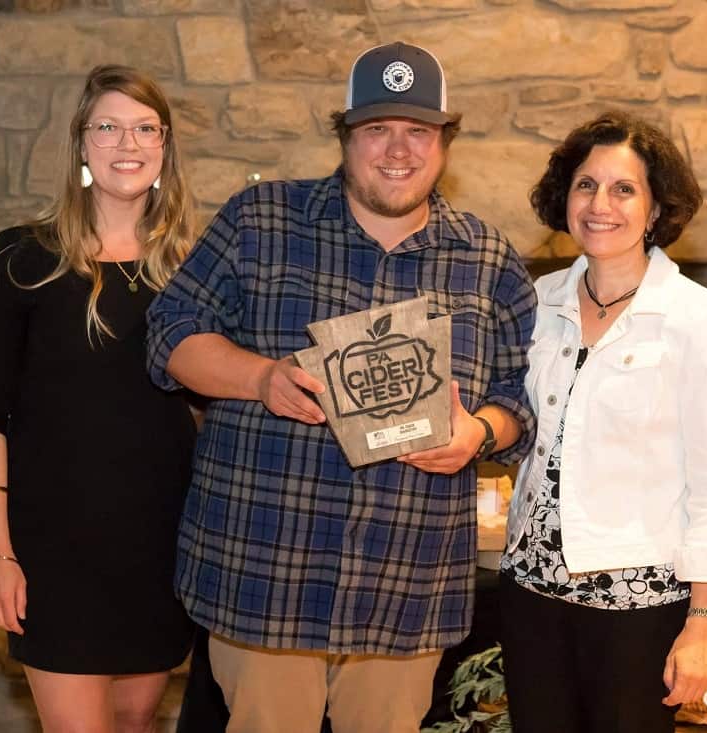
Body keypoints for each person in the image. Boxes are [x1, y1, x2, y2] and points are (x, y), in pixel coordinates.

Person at [146, 42, 537, 733]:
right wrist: (261, 377)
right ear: (345, 134)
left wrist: (478, 433)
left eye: (418, 131)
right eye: (377, 130)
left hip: (405, 584)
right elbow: (170, 331)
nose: (397, 150)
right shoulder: (260, 221)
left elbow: (522, 396)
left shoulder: (488, 259)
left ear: (445, 141)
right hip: (266, 567)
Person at [497, 111, 707, 733]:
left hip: (638, 604)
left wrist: (702, 624)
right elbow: (531, 434)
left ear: (655, 207)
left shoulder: (697, 318)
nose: (599, 204)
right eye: (585, 184)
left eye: (623, 189)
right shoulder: (540, 300)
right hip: (530, 589)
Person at [0, 64, 198, 732]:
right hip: (53, 552)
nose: (128, 141)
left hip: (159, 546)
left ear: (164, 147)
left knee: (135, 722)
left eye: (145, 127)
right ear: (81, 145)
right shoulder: (23, 258)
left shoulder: (193, 265)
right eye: (109, 126)